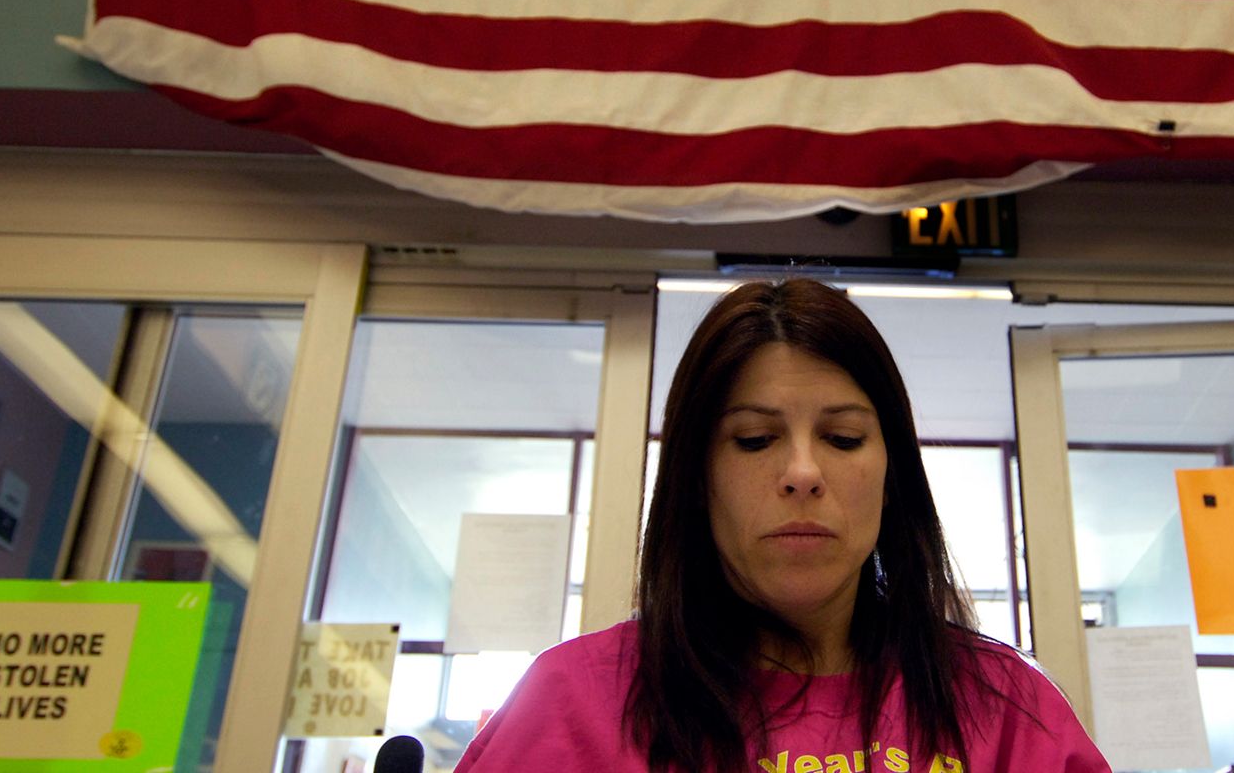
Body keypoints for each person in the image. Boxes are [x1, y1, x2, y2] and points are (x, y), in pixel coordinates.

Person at [456, 279, 1111, 773]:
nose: (802, 471)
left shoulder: (1007, 709)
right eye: (754, 439)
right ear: (696, 478)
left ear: (892, 478)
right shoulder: (569, 704)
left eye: (844, 438)